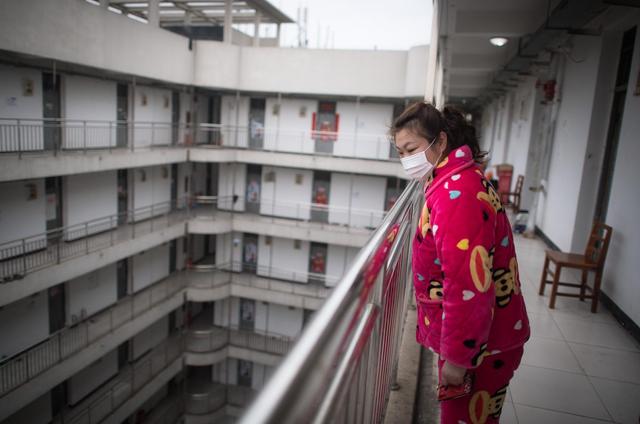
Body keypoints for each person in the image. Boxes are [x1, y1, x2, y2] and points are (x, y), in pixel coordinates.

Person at [391, 102, 530, 424]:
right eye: (400, 153)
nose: (406, 159)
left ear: (440, 141)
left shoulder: (457, 194)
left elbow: (467, 284)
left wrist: (458, 358)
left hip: (481, 347)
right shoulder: (454, 180)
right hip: (486, 339)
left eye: (411, 149)